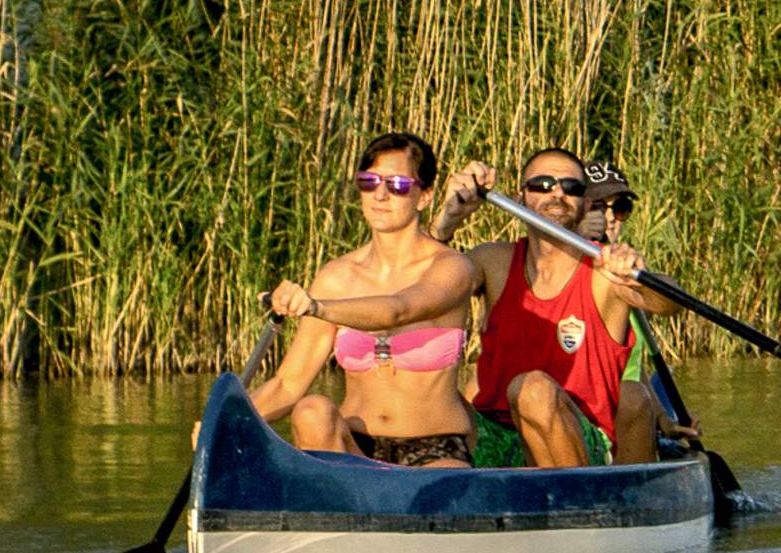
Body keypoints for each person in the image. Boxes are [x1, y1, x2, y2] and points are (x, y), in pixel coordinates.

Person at [251, 133, 480, 466]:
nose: (381, 195)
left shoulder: (451, 267)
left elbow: (400, 310)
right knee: (311, 410)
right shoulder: (337, 276)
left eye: (398, 184)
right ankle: (337, 506)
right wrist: (226, 423)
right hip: (356, 448)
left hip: (434, 448)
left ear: (425, 196)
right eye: (369, 182)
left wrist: (316, 307)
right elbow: (287, 384)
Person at [431, 148, 652, 467]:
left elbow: (666, 302)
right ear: (521, 199)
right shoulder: (492, 261)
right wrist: (446, 222)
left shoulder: (603, 270)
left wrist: (640, 278)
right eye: (542, 184)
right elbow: (425, 295)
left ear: (586, 204)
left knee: (532, 390)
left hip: (578, 432)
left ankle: (576, 501)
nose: (557, 192)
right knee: (426, 394)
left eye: (571, 187)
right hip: (496, 432)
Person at [575, 153, 675, 467]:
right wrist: (577, 237)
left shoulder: (628, 274)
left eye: (619, 209)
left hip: (628, 414)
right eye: (597, 206)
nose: (610, 219)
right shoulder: (553, 270)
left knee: (633, 393)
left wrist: (664, 419)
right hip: (578, 418)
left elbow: (632, 369)